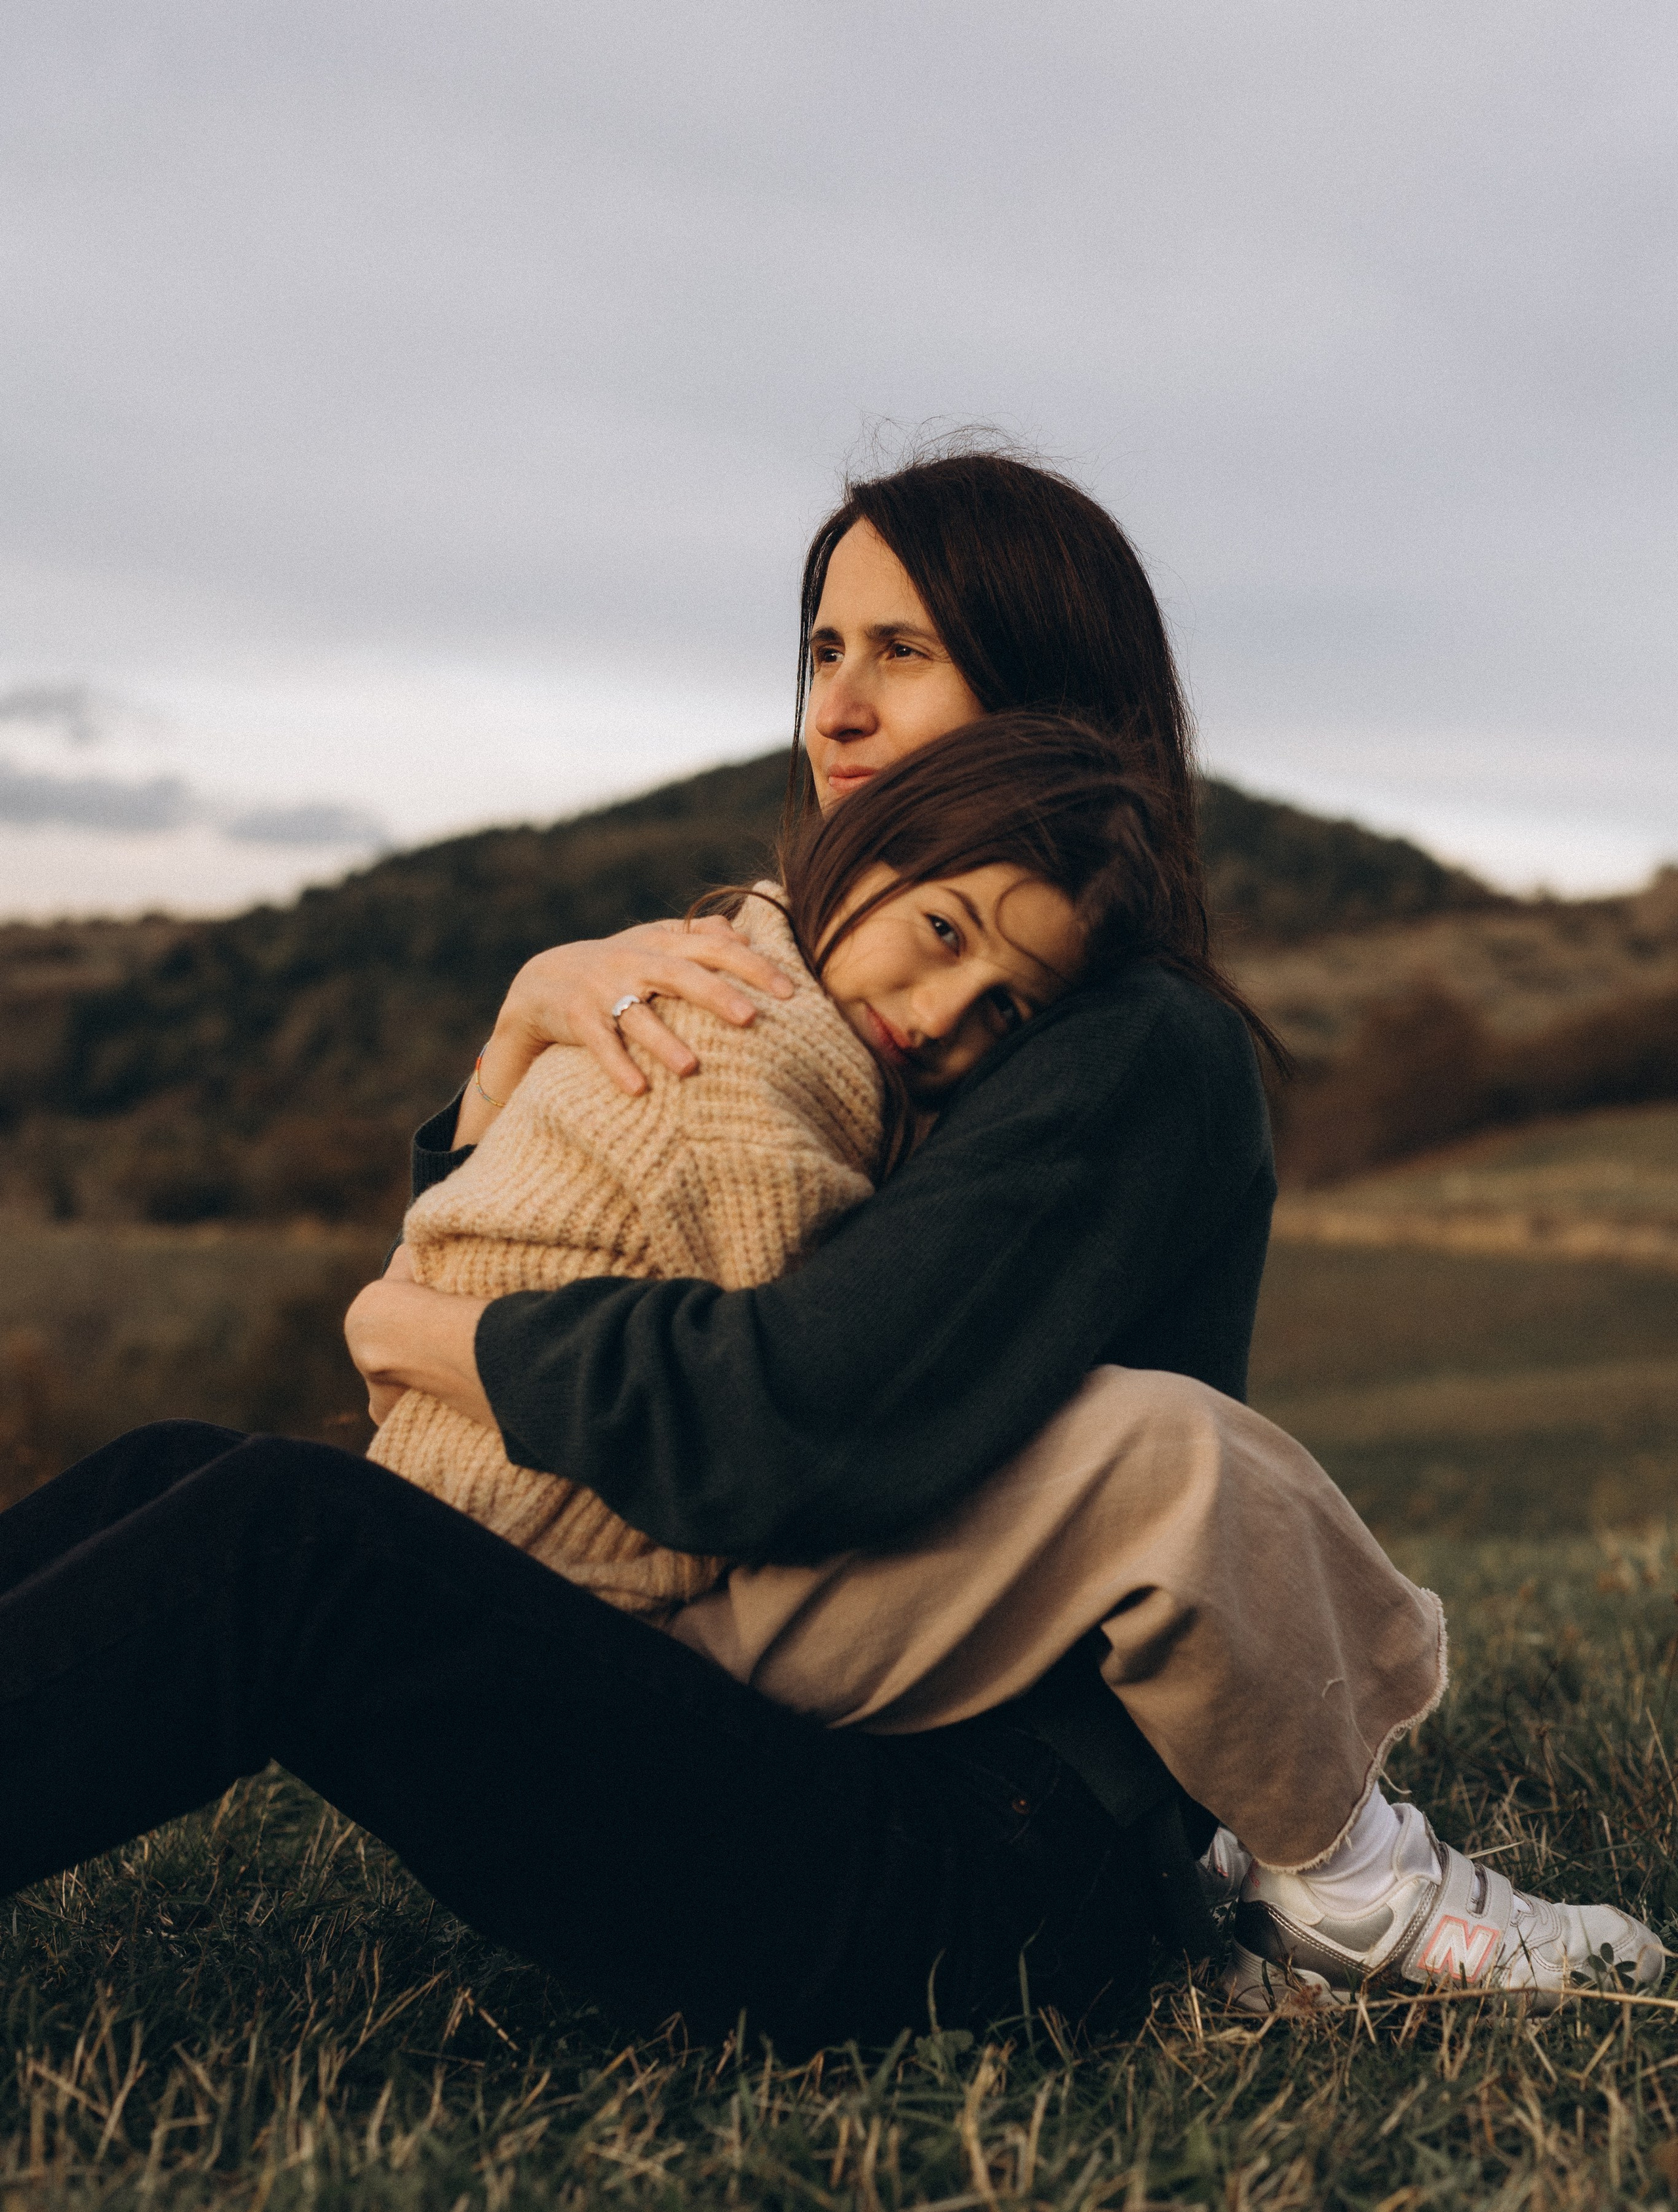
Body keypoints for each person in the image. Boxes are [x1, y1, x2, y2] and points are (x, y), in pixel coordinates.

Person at [0, 448, 1659, 2039]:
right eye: (823, 649)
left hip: (977, 1854)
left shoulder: (1124, 1044)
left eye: (905, 652)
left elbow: (789, 1414)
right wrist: (507, 1060)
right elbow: (570, 1254)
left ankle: (1347, 1891)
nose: (838, 703)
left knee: (287, 1543)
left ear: (1040, 696)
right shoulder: (834, 998)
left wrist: (447, 1345)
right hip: (811, 1725)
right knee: (178, 1469)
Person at [369, 715, 1168, 1616]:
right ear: (869, 850)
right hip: (517, 1550)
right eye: (944, 931)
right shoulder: (752, 1052)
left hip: (460, 1500)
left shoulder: (742, 954)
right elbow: (771, 1393)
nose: (943, 1016)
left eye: (1008, 1014)